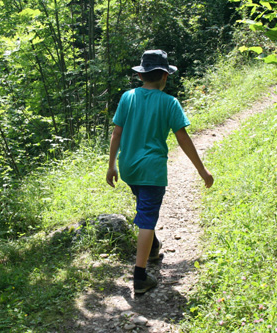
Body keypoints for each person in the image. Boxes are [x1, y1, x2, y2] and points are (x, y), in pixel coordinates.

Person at [106, 49, 214, 294]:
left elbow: (117, 133)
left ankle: (152, 247)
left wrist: (111, 165)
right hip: (152, 170)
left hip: (129, 167)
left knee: (144, 208)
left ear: (141, 75)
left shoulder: (127, 97)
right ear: (165, 76)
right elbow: (182, 138)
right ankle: (140, 277)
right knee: (146, 218)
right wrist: (202, 170)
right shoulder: (170, 102)